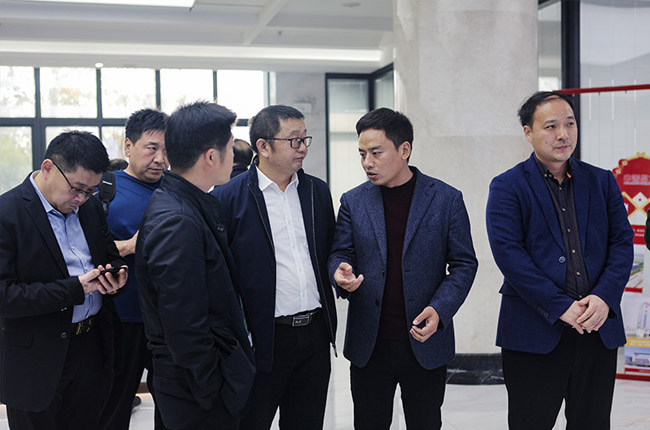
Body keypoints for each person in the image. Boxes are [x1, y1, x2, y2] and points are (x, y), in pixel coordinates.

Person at [486, 91, 634, 430]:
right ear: (528, 132)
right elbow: (510, 255)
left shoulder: (601, 181)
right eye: (551, 126)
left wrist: (604, 297)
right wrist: (560, 307)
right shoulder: (507, 186)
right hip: (534, 331)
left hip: (597, 329)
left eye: (570, 124)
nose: (563, 134)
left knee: (593, 423)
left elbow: (621, 243)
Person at [328, 107, 478, 430]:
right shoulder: (353, 201)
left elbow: (464, 264)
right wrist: (339, 272)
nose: (367, 162)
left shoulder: (446, 199)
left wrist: (440, 310)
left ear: (404, 149)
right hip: (370, 344)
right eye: (362, 154)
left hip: (424, 340)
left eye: (376, 152)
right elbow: (340, 252)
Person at [212, 105, 337, 430]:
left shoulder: (317, 192)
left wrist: (340, 271)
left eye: (304, 138)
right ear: (263, 146)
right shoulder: (228, 198)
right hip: (262, 339)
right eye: (294, 140)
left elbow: (331, 250)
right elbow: (220, 276)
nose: (303, 147)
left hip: (314, 334)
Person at [136, 101, 254, 430]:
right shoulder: (177, 219)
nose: (233, 157)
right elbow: (184, 323)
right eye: (230, 149)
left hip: (193, 381)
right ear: (211, 156)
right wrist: (212, 385)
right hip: (194, 388)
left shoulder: (186, 201)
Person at [0, 131, 128, 430]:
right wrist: (75, 289)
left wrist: (117, 275)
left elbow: (110, 256)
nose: (81, 199)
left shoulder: (90, 208)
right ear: (47, 168)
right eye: (77, 188)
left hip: (90, 347)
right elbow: (4, 296)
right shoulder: (7, 214)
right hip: (36, 357)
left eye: (91, 191)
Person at [100, 108, 168, 430]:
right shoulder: (104, 190)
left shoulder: (175, 189)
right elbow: (81, 251)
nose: (160, 159)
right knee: (113, 407)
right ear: (128, 146)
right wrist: (128, 246)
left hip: (168, 320)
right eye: (152, 148)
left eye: (167, 150)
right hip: (120, 319)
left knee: (173, 408)